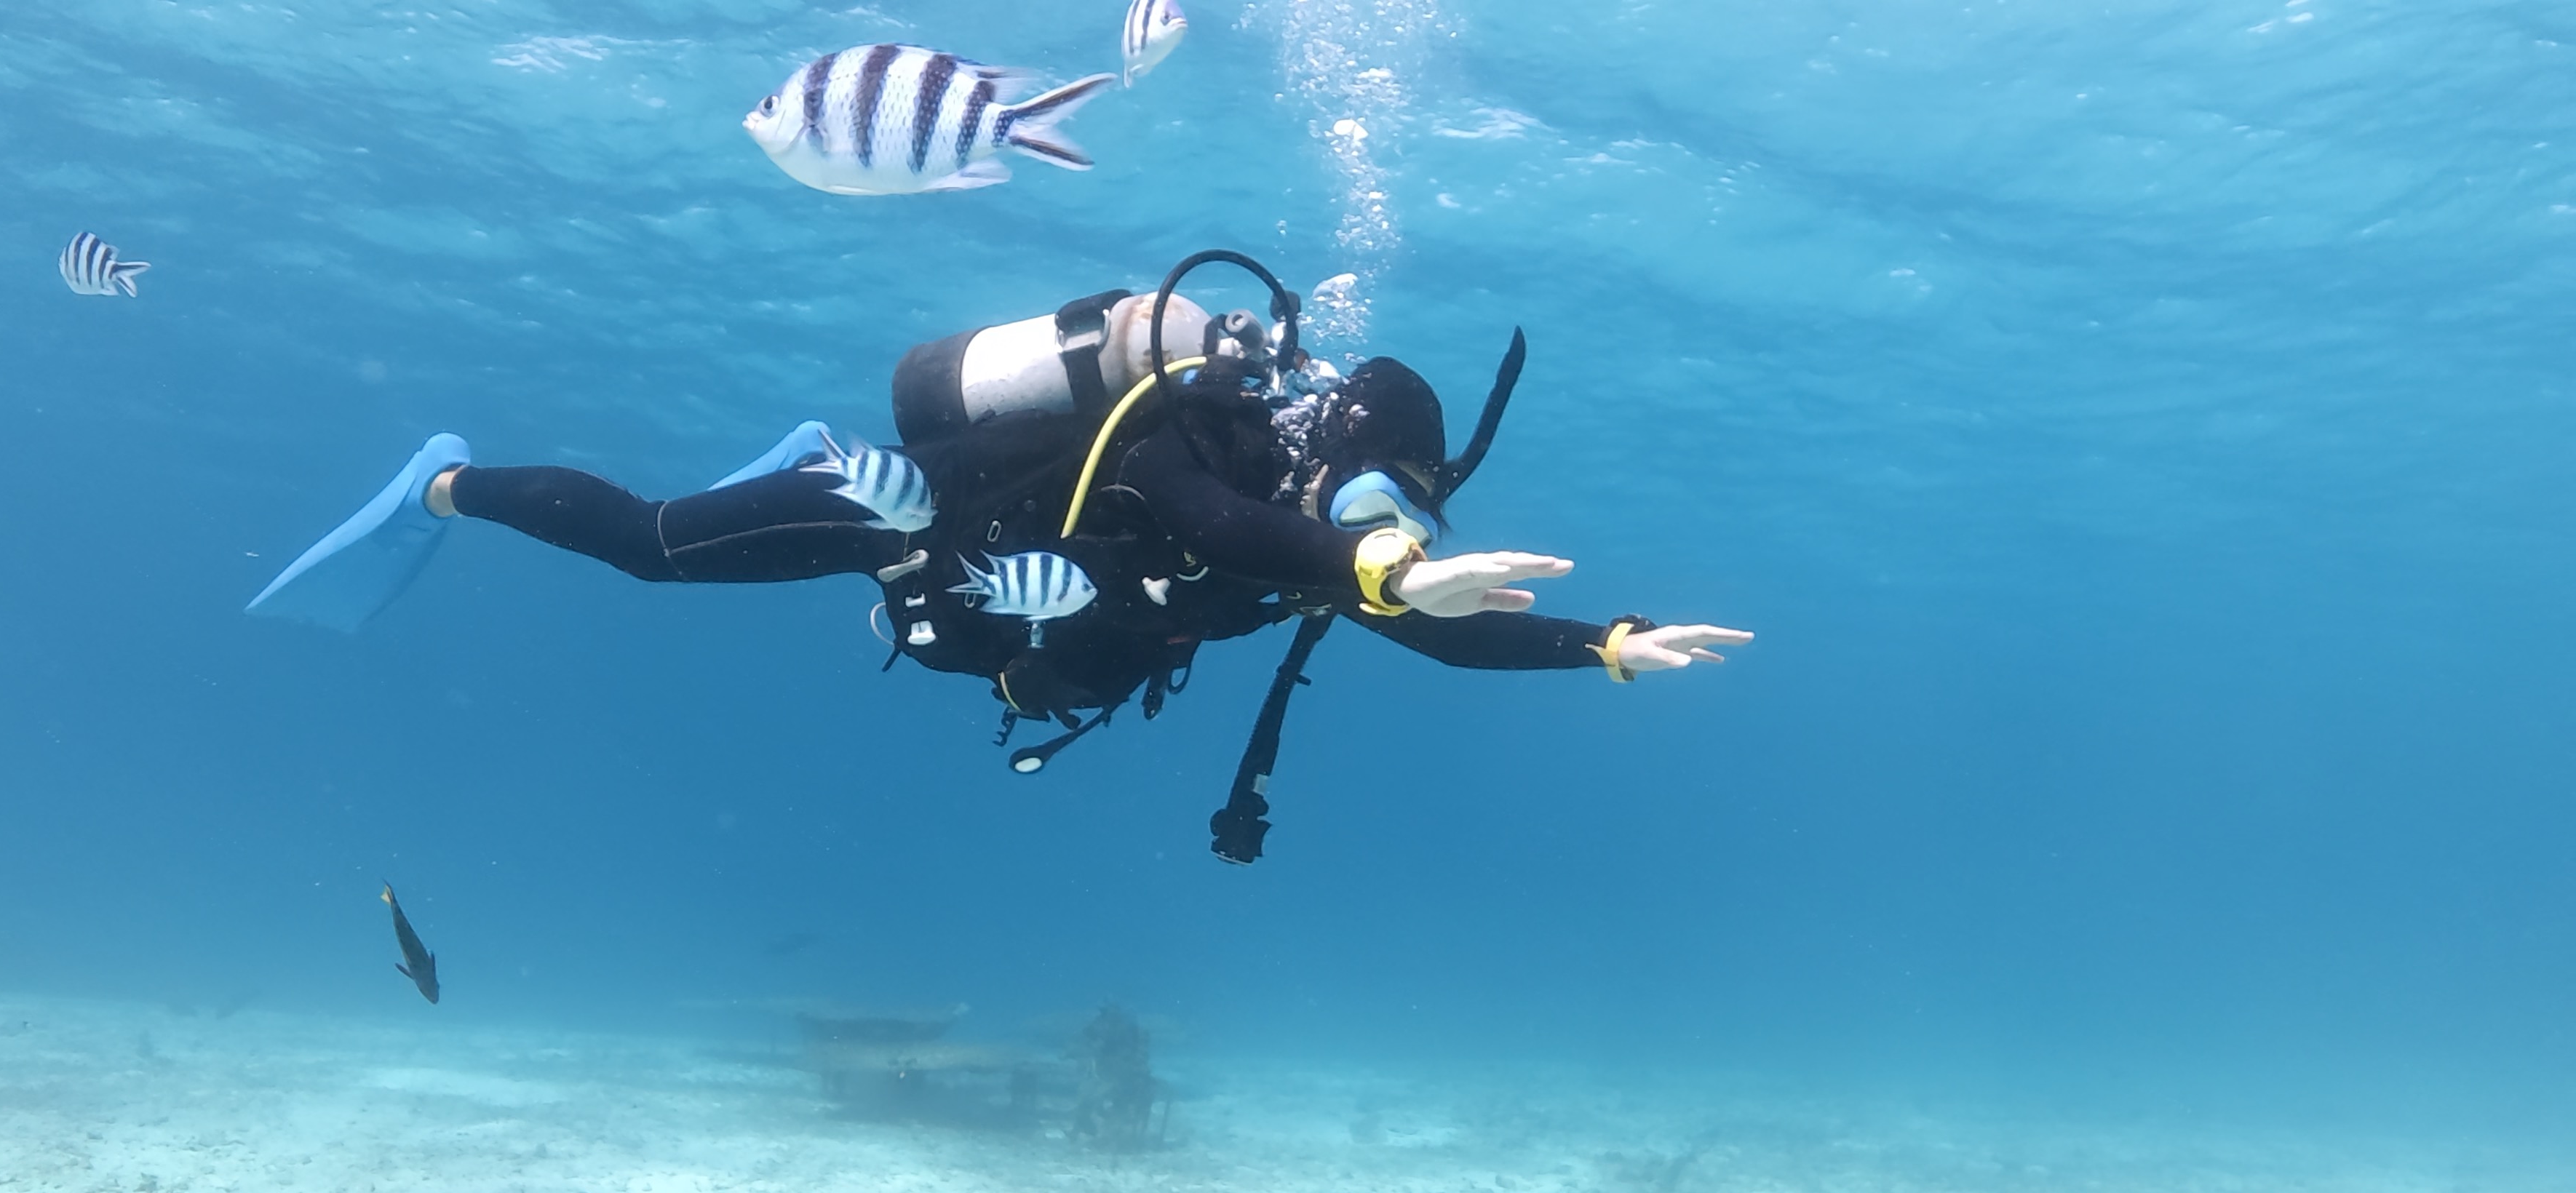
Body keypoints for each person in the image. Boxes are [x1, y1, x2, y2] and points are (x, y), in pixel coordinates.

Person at [250, 253, 1752, 861]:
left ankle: (795, 478)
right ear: (1318, 445)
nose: (1393, 524)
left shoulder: (1341, 545)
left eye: (1407, 504)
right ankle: (445, 487)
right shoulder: (1200, 435)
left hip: (993, 626)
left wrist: (1602, 643)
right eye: (1376, 491)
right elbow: (1235, 534)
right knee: (653, 547)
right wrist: (1361, 561)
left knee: (974, 660)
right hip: (927, 518)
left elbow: (1436, 626)